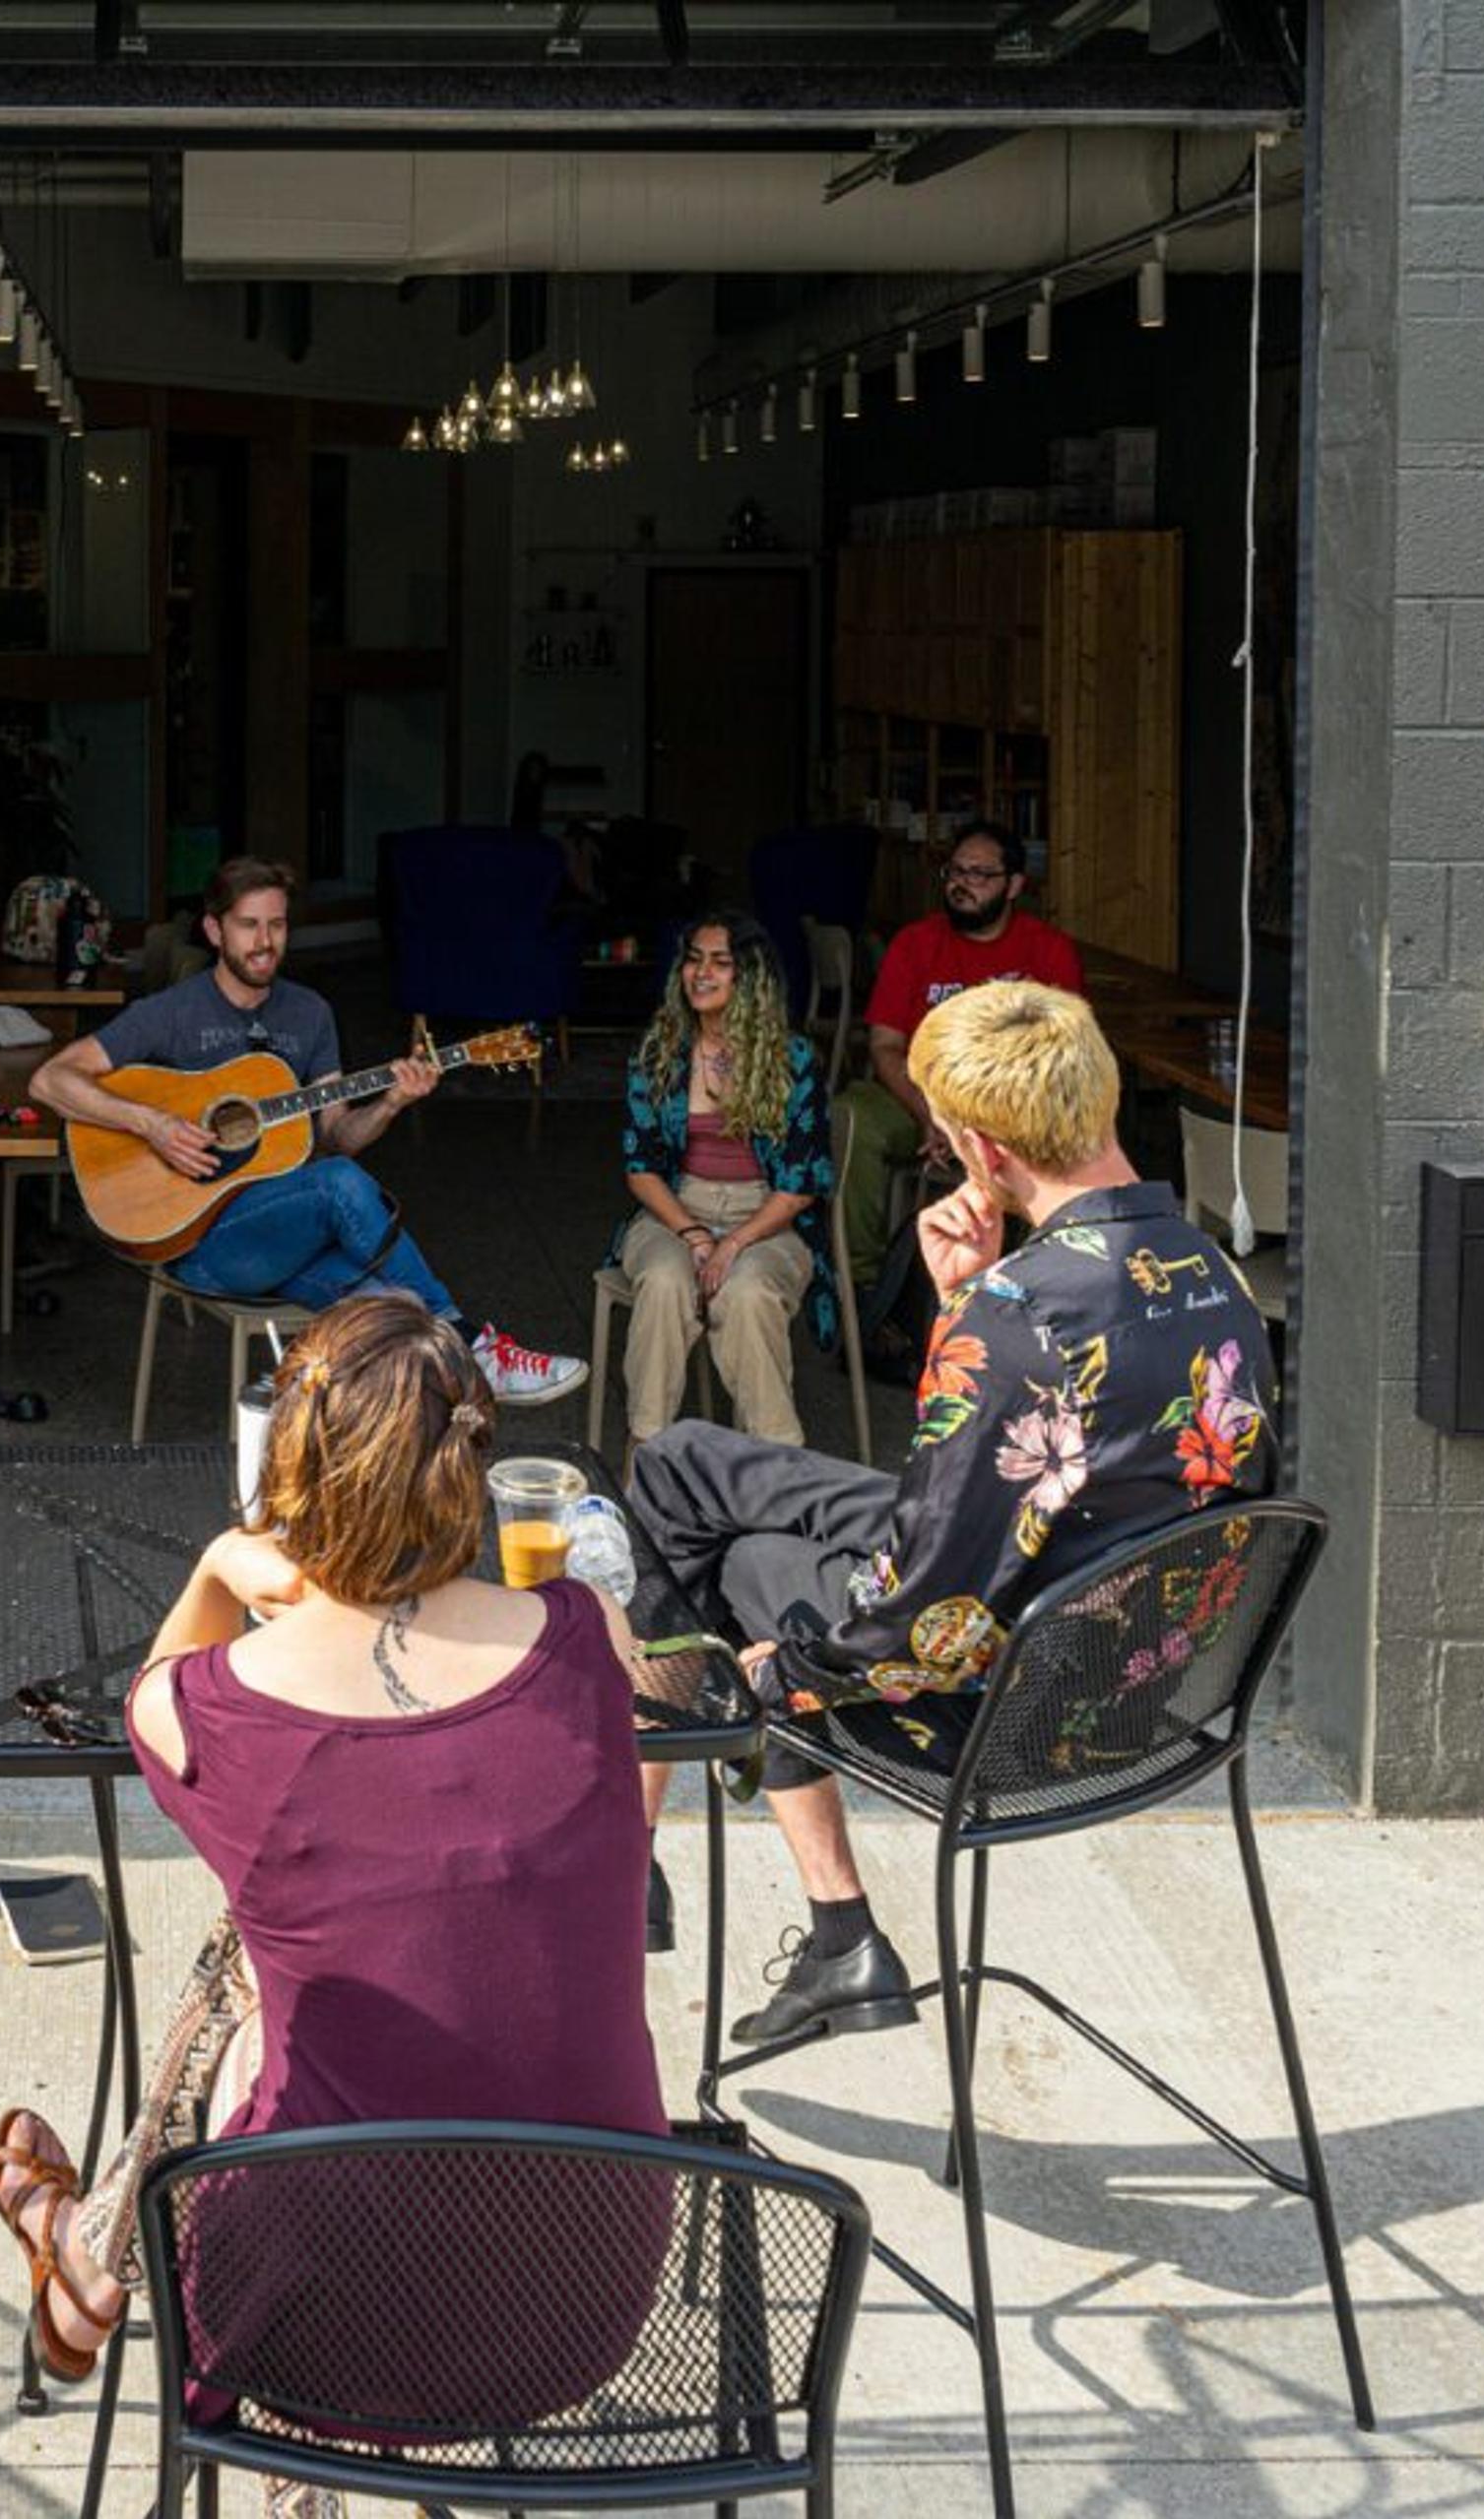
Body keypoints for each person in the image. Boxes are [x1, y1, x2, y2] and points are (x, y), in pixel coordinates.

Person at [0, 1294, 668, 2401]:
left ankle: (83, 2266)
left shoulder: (226, 1711)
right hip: (583, 2305)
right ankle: (81, 2264)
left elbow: (150, 1701)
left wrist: (214, 1569)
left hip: (305, 2325)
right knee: (283, 1945)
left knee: (245, 1963)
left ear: (289, 1473)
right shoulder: (590, 1637)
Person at [629, 982, 1273, 2044]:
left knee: (745, 1568)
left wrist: (778, 1675)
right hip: (1152, 1669)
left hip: (1022, 1706)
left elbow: (923, 1615)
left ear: (981, 1145)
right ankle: (805, 1924)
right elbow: (1028, 1473)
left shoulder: (1018, 1316)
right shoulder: (1217, 1273)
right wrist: (967, 1300)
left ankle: (763, 1901)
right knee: (683, 1466)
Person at [32, 854, 584, 1404]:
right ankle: (475, 1347)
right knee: (340, 1182)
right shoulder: (172, 1012)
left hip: (287, 1231)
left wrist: (391, 1103)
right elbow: (51, 1080)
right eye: (248, 925)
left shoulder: (309, 1014)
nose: (264, 941)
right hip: (204, 1245)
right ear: (213, 929)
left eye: (277, 925)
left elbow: (335, 1135)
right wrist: (152, 1124)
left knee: (398, 1309)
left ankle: (441, 1398)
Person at [830, 824, 1086, 1331]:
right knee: (851, 1117)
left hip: (1012, 1111)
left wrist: (991, 1125)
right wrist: (934, 1117)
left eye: (980, 874)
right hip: (919, 1101)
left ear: (1014, 885)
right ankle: (861, 1290)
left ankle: (1049, 1300)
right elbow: (884, 1046)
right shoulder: (915, 943)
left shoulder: (1047, 951)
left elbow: (1064, 1057)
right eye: (955, 872)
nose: (961, 883)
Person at [612, 914, 834, 1447]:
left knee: (748, 1291)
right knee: (665, 1284)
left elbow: (802, 1182)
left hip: (768, 1216)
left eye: (720, 962)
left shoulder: (792, 1059)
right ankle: (650, 1454)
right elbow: (640, 1170)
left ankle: (774, 1460)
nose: (700, 973)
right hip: (674, 1209)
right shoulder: (659, 1053)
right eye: (693, 959)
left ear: (750, 978)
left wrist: (733, 1242)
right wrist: (693, 1234)